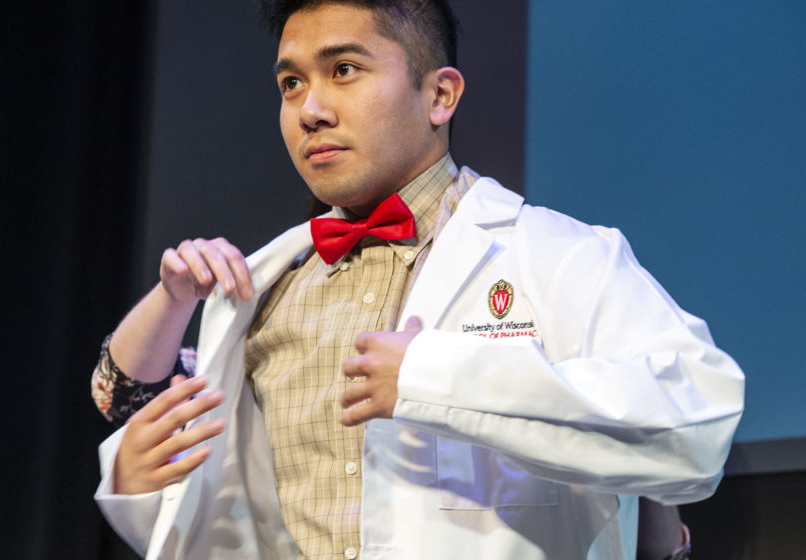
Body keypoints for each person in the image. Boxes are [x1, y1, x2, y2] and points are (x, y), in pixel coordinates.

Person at [92, 1, 743, 558]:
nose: (309, 109)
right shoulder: (267, 289)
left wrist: (438, 379)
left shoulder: (559, 255)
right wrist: (148, 488)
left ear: (439, 95)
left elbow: (698, 428)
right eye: (291, 83)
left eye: (343, 70)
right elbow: (226, 511)